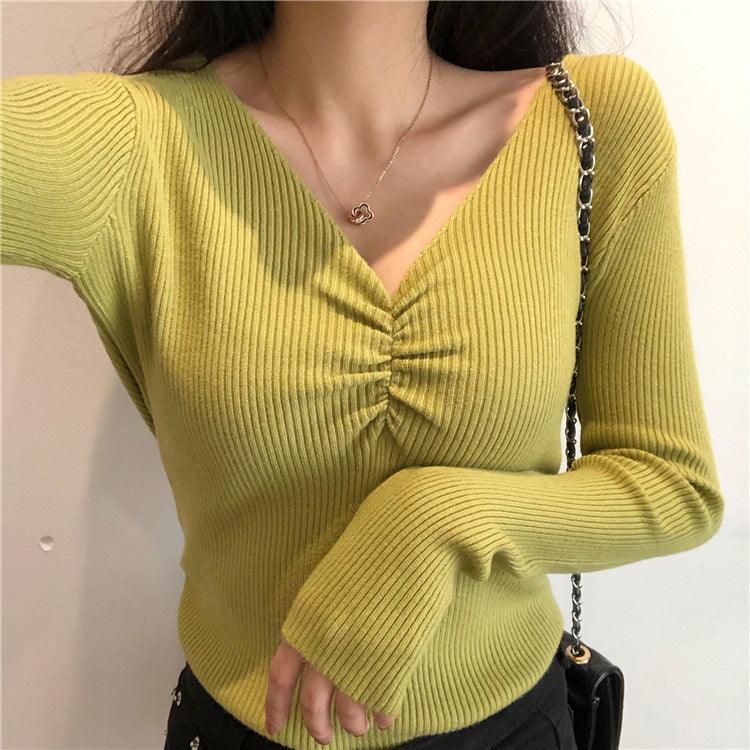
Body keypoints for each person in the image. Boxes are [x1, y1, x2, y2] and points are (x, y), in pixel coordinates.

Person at [1, 2, 724, 749]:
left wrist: (440, 521)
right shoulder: (135, 141)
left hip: (515, 728)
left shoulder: (588, 120)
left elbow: (673, 485)